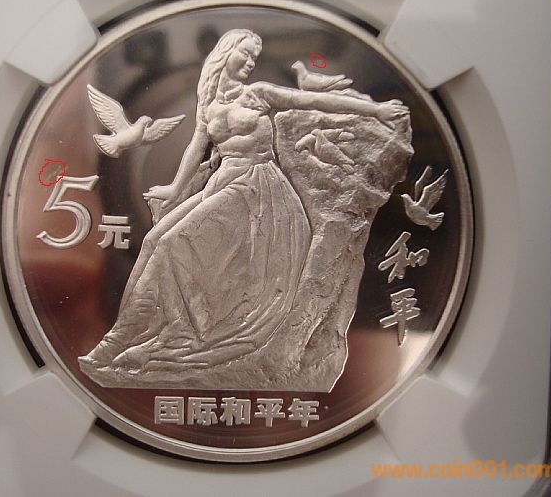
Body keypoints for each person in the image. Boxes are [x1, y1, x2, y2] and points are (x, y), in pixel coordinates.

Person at [79, 29, 407, 376]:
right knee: (153, 240)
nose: (250, 62)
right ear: (226, 54)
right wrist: (175, 189)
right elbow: (195, 149)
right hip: (223, 183)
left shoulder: (258, 94)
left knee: (172, 242)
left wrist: (376, 109)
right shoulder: (208, 107)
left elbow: (317, 102)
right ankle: (122, 338)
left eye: (254, 57)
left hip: (258, 190)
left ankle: (152, 336)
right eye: (246, 53)